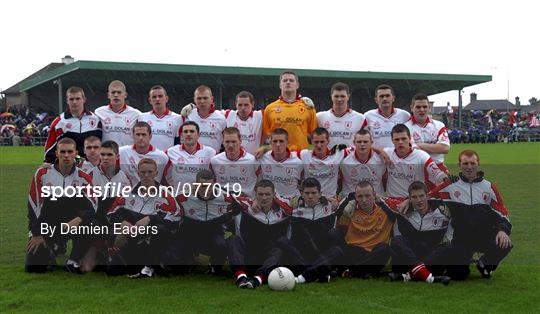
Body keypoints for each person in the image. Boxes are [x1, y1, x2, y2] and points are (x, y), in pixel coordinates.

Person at [429, 149, 512, 279]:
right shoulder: (450, 185)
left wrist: (503, 230)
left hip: (484, 237)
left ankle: (484, 265)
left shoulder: (489, 187)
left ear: (478, 164)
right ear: (459, 165)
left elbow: (503, 213)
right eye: (465, 163)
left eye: (472, 163)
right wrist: (408, 202)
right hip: (461, 240)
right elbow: (426, 198)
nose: (469, 167)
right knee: (459, 276)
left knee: (505, 243)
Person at [296, 181, 394, 282]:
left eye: (367, 196)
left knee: (385, 249)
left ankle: (349, 271)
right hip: (351, 251)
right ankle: (303, 277)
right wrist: (350, 200)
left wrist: (381, 202)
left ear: (374, 195)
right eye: (360, 196)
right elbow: (337, 213)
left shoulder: (386, 211)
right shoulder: (350, 210)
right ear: (355, 197)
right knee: (334, 237)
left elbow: (399, 206)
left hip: (373, 254)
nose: (364, 200)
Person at [26, 138, 97, 274]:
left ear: (76, 153)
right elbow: (33, 205)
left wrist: (79, 219)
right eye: (62, 151)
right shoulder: (43, 174)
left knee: (92, 225)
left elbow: (92, 207)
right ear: (57, 153)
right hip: (49, 224)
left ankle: (73, 260)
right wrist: (37, 233)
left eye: (70, 151)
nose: (66, 155)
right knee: (34, 268)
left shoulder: (83, 177)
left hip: (73, 224)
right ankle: (51, 250)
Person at [106, 158, 179, 278]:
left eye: (150, 172)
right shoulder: (127, 193)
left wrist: (150, 219)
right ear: (138, 173)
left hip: (156, 241)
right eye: (143, 172)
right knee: (113, 271)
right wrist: (122, 222)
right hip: (134, 238)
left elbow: (176, 217)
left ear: (156, 173)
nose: (146, 175)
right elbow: (111, 213)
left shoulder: (166, 195)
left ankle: (151, 266)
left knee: (159, 229)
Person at [165, 169, 239, 275]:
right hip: (189, 235)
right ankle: (189, 261)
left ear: (214, 185)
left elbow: (244, 203)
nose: (206, 190)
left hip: (213, 235)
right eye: (203, 186)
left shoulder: (225, 198)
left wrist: (254, 204)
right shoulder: (183, 197)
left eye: (210, 186)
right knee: (173, 263)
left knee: (221, 245)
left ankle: (214, 266)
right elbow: (167, 209)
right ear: (195, 185)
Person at [226, 180, 293, 289]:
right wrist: (252, 201)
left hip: (270, 258)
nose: (264, 198)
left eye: (267, 194)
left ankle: (257, 279)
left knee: (280, 249)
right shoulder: (247, 205)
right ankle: (241, 277)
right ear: (255, 194)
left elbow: (293, 207)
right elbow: (229, 194)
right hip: (250, 253)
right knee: (233, 239)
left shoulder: (283, 209)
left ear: (274, 194)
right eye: (260, 194)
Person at [387, 181, 452, 284]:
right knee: (396, 240)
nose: (419, 200)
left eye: (421, 196)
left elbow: (451, 189)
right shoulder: (402, 210)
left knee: (448, 247)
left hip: (430, 259)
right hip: (408, 258)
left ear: (427, 196)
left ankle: (409, 275)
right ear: (409, 199)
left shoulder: (442, 211)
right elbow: (377, 198)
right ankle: (427, 275)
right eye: (414, 197)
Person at [383, 124, 447, 198]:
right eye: (397, 139)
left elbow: (437, 173)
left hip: (414, 201)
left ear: (410, 138)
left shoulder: (421, 156)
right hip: (392, 201)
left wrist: (445, 178)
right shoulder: (387, 153)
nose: (400, 142)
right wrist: (379, 151)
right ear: (392, 140)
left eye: (403, 139)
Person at [44, 86, 102, 163]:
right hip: (68, 167)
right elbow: (50, 148)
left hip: (92, 166)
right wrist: (47, 162)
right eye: (71, 99)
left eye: (78, 99)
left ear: (84, 99)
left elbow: (101, 144)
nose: (74, 102)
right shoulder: (59, 122)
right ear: (67, 101)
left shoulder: (96, 119)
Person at [263, 71, 317, 151]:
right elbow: (267, 135)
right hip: (278, 156)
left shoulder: (308, 107)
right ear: (280, 85)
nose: (288, 82)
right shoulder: (270, 108)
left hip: (300, 157)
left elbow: (313, 133)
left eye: (291, 80)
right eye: (285, 80)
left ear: (297, 85)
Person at [404, 93, 450, 172]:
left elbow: (445, 148)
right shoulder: (405, 127)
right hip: (415, 169)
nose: (422, 110)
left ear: (429, 108)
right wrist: (435, 147)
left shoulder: (439, 125)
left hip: (438, 168)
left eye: (425, 107)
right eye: (418, 107)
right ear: (412, 108)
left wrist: (418, 144)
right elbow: (408, 150)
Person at [163, 121, 216, 188]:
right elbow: (161, 174)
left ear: (198, 135)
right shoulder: (170, 152)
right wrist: (170, 188)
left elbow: (217, 175)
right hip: (179, 195)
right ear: (181, 135)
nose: (188, 134)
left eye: (192, 131)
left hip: (201, 196)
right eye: (185, 131)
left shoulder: (210, 152)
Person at [316, 82, 367, 149]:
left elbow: (367, 142)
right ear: (331, 96)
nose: (339, 99)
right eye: (336, 96)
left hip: (350, 158)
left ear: (348, 96)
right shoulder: (320, 117)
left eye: (342, 96)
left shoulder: (360, 118)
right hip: (328, 159)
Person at [210, 127, 258, 197]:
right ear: (222, 142)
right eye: (227, 142)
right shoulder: (215, 160)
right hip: (222, 202)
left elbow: (260, 182)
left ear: (240, 141)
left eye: (234, 142)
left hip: (246, 202)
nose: (230, 145)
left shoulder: (252, 160)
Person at [257, 128, 303, 199]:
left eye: (281, 141)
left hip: (290, 203)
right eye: (275, 141)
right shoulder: (263, 158)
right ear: (270, 142)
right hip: (269, 201)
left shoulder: (297, 162)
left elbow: (301, 183)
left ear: (287, 142)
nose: (278, 144)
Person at [118, 121, 169, 185]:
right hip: (129, 193)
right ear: (133, 136)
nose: (140, 138)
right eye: (137, 134)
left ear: (150, 136)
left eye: (143, 134)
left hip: (153, 193)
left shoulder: (162, 157)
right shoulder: (122, 152)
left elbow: (165, 181)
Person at [299, 128, 345, 198]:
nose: (319, 145)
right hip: (310, 199)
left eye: (322, 142)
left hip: (330, 200)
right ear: (311, 141)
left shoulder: (338, 153)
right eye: (316, 142)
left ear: (328, 141)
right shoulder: (304, 154)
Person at [340, 130, 386, 197]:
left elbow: (385, 178)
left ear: (371, 143)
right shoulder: (343, 159)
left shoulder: (382, 159)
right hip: (350, 199)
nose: (362, 144)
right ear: (354, 143)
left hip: (376, 198)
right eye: (359, 142)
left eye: (365, 142)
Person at [95, 80, 141, 146]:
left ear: (125, 95)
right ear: (108, 95)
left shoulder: (136, 114)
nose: (116, 95)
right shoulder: (99, 112)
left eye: (119, 92)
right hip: (107, 155)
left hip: (126, 155)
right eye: (113, 92)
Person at [364, 84, 410, 149]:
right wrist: (380, 152)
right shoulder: (367, 116)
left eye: (387, 96)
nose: (385, 98)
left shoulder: (405, 115)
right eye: (381, 96)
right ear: (376, 100)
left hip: (397, 158)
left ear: (393, 98)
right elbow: (364, 141)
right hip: (375, 158)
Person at [138, 85, 182, 151]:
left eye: (160, 96)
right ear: (150, 100)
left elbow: (179, 143)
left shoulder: (177, 118)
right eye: (154, 97)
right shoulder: (142, 117)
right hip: (148, 159)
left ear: (166, 99)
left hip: (167, 159)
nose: (157, 99)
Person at [184, 85, 227, 151]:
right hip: (193, 158)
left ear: (212, 99)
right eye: (199, 98)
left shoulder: (221, 118)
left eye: (205, 98)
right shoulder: (188, 115)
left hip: (214, 158)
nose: (202, 101)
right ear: (194, 99)